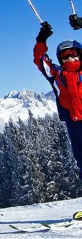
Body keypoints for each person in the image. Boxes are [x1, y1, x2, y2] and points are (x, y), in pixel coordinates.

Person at [33, 21, 82, 220]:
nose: (70, 58)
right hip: (74, 123)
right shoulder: (57, 75)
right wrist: (41, 39)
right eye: (64, 55)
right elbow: (40, 60)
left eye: (73, 53)